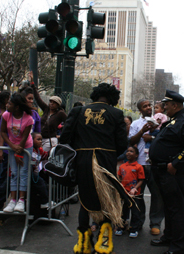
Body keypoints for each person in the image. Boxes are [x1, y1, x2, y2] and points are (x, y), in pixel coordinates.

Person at [59, 83, 134, 254]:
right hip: (105, 163)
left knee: (85, 202)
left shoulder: (78, 111)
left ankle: (83, 244)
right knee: (107, 202)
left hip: (82, 162)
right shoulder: (116, 113)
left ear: (95, 95)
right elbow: (122, 144)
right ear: (112, 98)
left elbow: (65, 138)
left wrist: (80, 149)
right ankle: (104, 244)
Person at [149, 89, 184, 254]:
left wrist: (176, 163)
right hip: (162, 170)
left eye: (167, 105)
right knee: (169, 208)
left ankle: (178, 247)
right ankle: (169, 237)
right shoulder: (173, 121)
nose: (164, 107)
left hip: (173, 173)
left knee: (176, 210)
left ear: (175, 105)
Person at [129, 99, 164, 236]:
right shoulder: (136, 124)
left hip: (154, 164)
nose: (149, 107)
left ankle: (155, 223)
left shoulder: (160, 122)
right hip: (140, 165)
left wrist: (153, 137)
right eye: (145, 106)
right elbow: (131, 141)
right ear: (140, 110)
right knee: (137, 195)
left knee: (157, 195)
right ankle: (137, 223)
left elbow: (163, 140)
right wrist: (142, 132)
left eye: (150, 105)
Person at [1, 93, 34, 213]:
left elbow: (25, 138)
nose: (7, 105)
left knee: (23, 172)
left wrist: (18, 152)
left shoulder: (28, 119)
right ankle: (12, 200)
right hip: (12, 146)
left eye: (10, 103)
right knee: (14, 173)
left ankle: (21, 200)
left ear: (17, 107)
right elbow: (3, 132)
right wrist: (12, 147)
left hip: (25, 147)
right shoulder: (6, 115)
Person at [30, 73, 66, 151]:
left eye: (54, 102)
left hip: (50, 140)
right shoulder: (46, 109)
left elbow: (68, 123)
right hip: (39, 138)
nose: (51, 104)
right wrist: (33, 84)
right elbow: (38, 98)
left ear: (58, 105)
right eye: (50, 101)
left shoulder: (60, 113)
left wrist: (61, 135)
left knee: (44, 158)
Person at [115, 146, 145, 238]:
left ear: (136, 155)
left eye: (131, 151)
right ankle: (121, 227)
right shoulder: (123, 166)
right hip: (124, 193)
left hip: (134, 195)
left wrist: (135, 188)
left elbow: (141, 180)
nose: (128, 153)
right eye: (127, 151)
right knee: (123, 211)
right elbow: (119, 177)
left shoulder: (138, 167)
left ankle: (134, 229)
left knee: (135, 212)